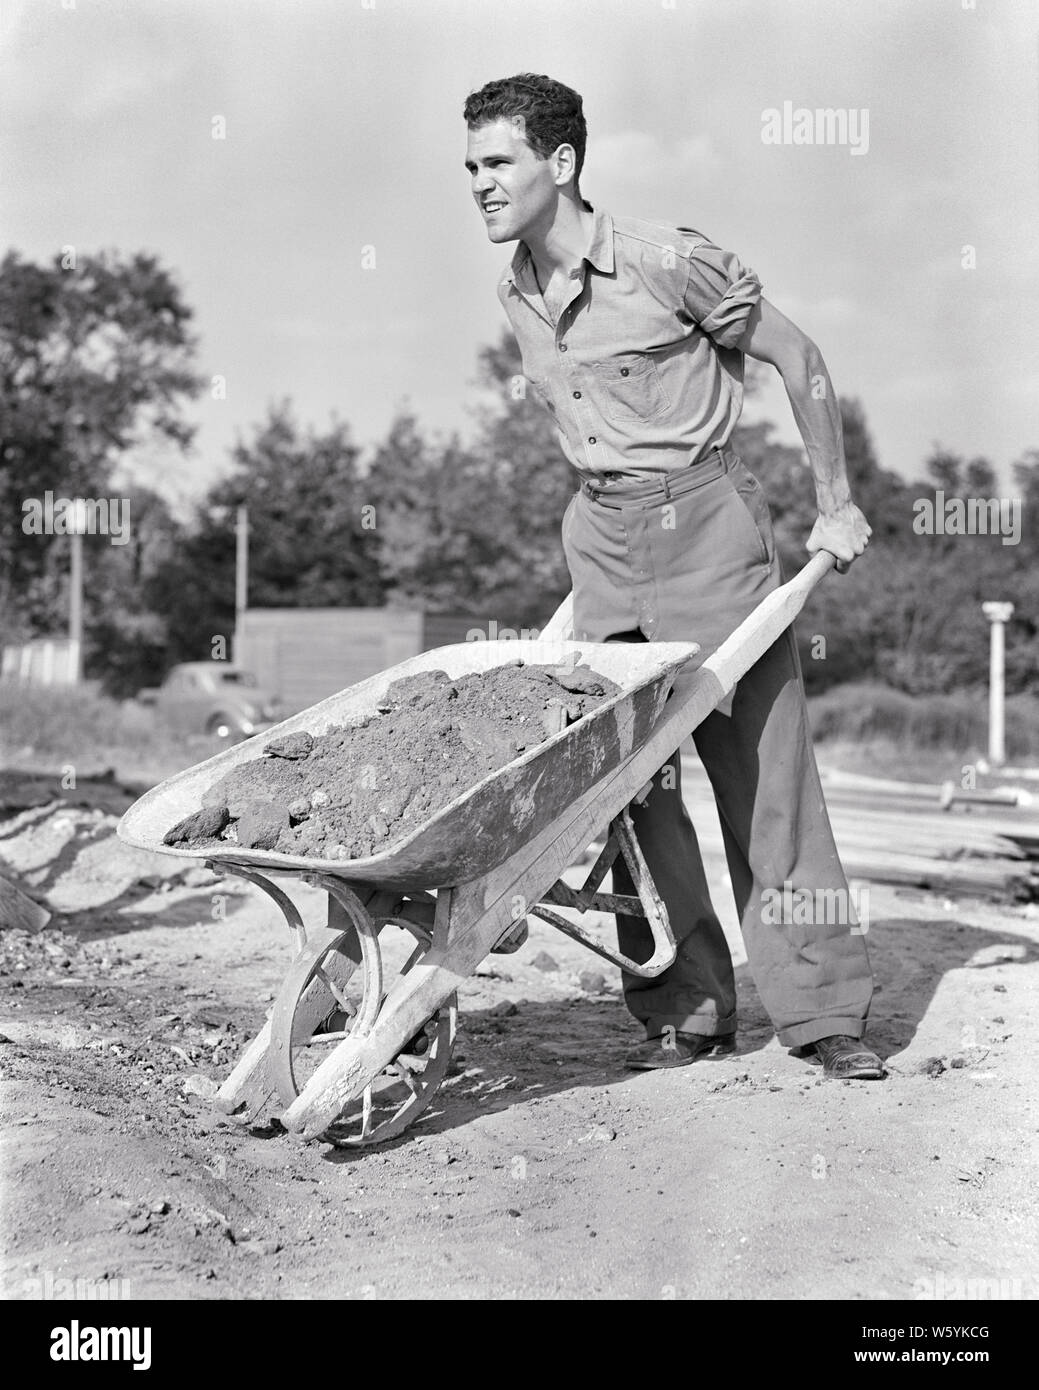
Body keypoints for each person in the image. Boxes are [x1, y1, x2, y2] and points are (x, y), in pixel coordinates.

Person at [463, 73, 884, 1080]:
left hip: (706, 526)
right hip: (601, 541)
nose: (479, 183)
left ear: (559, 164)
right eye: (470, 166)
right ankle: (686, 1002)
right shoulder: (515, 288)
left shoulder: (664, 261)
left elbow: (798, 353)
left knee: (763, 775)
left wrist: (834, 496)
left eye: (497, 162)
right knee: (628, 784)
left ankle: (821, 1010)